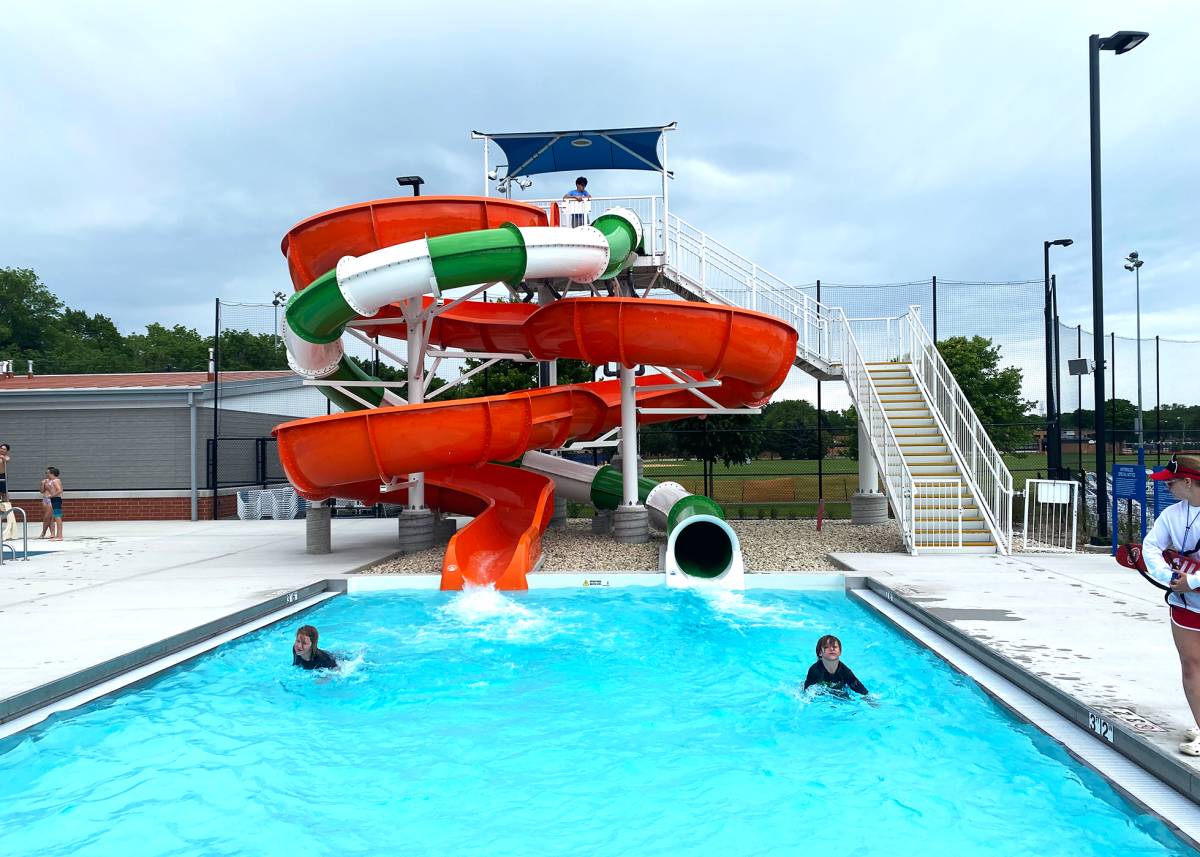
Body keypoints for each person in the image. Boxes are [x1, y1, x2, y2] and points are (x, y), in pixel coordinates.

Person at [1142, 454, 1200, 756]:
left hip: (1190, 591)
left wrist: (1190, 581)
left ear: (1188, 482)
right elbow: (1150, 546)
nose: (1167, 487)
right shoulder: (1172, 515)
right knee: (1191, 666)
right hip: (1186, 604)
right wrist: (1169, 577)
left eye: (1171, 482)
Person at [803, 634, 868, 696]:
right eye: (827, 647)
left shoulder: (844, 671)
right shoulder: (815, 670)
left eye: (835, 647)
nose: (832, 649)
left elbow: (862, 691)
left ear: (840, 652)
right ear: (820, 653)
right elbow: (807, 692)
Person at [39, 467, 63, 541]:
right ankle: (56, 535)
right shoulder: (55, 481)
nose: (47, 475)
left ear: (52, 474)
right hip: (52, 499)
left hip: (55, 499)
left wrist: (51, 496)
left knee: (57, 517)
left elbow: (60, 490)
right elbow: (42, 491)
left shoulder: (55, 481)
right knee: (55, 517)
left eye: (49, 473)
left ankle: (59, 536)